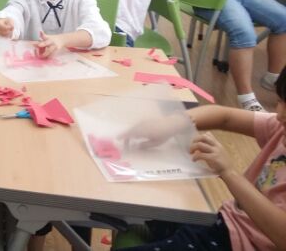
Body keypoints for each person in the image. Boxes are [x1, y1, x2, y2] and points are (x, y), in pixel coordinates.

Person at [118, 77, 286, 250]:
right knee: (147, 199)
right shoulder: (280, 127)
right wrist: (171, 124)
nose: (280, 114)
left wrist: (229, 172)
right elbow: (225, 116)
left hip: (236, 244)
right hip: (224, 224)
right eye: (280, 101)